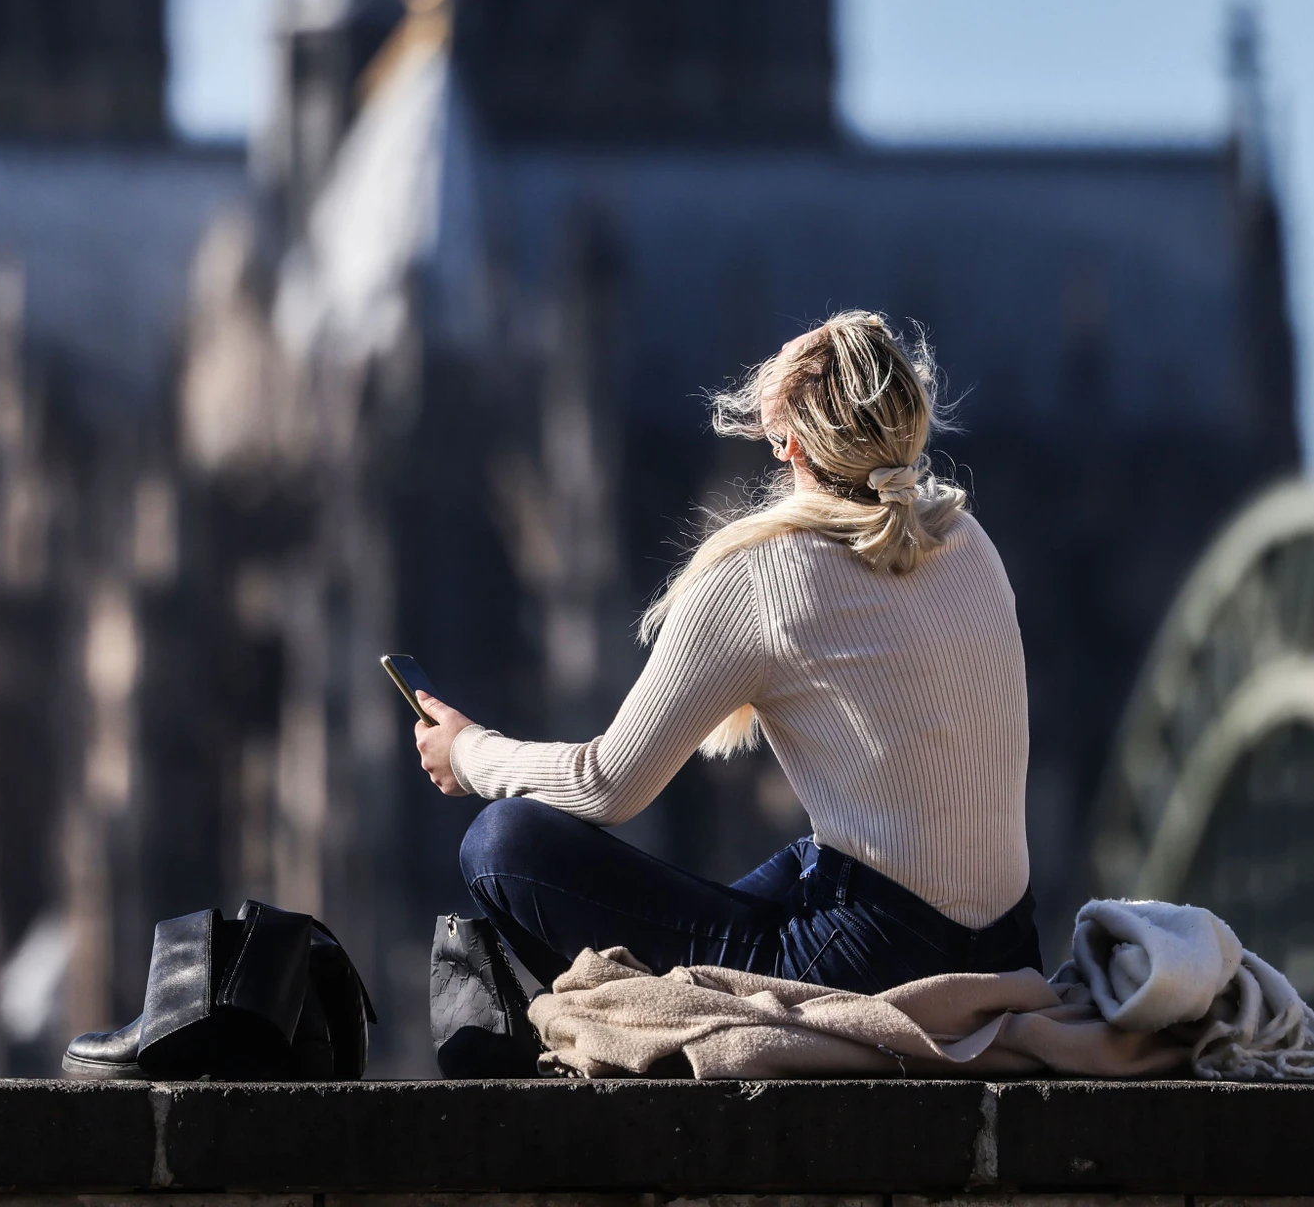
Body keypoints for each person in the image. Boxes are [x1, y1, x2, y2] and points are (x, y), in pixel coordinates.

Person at [412, 310, 1037, 993]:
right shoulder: (968, 539)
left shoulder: (763, 573)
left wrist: (469, 752)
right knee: (811, 862)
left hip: (880, 964)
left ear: (786, 444)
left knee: (501, 843)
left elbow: (606, 785)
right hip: (1008, 948)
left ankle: (644, 1013)